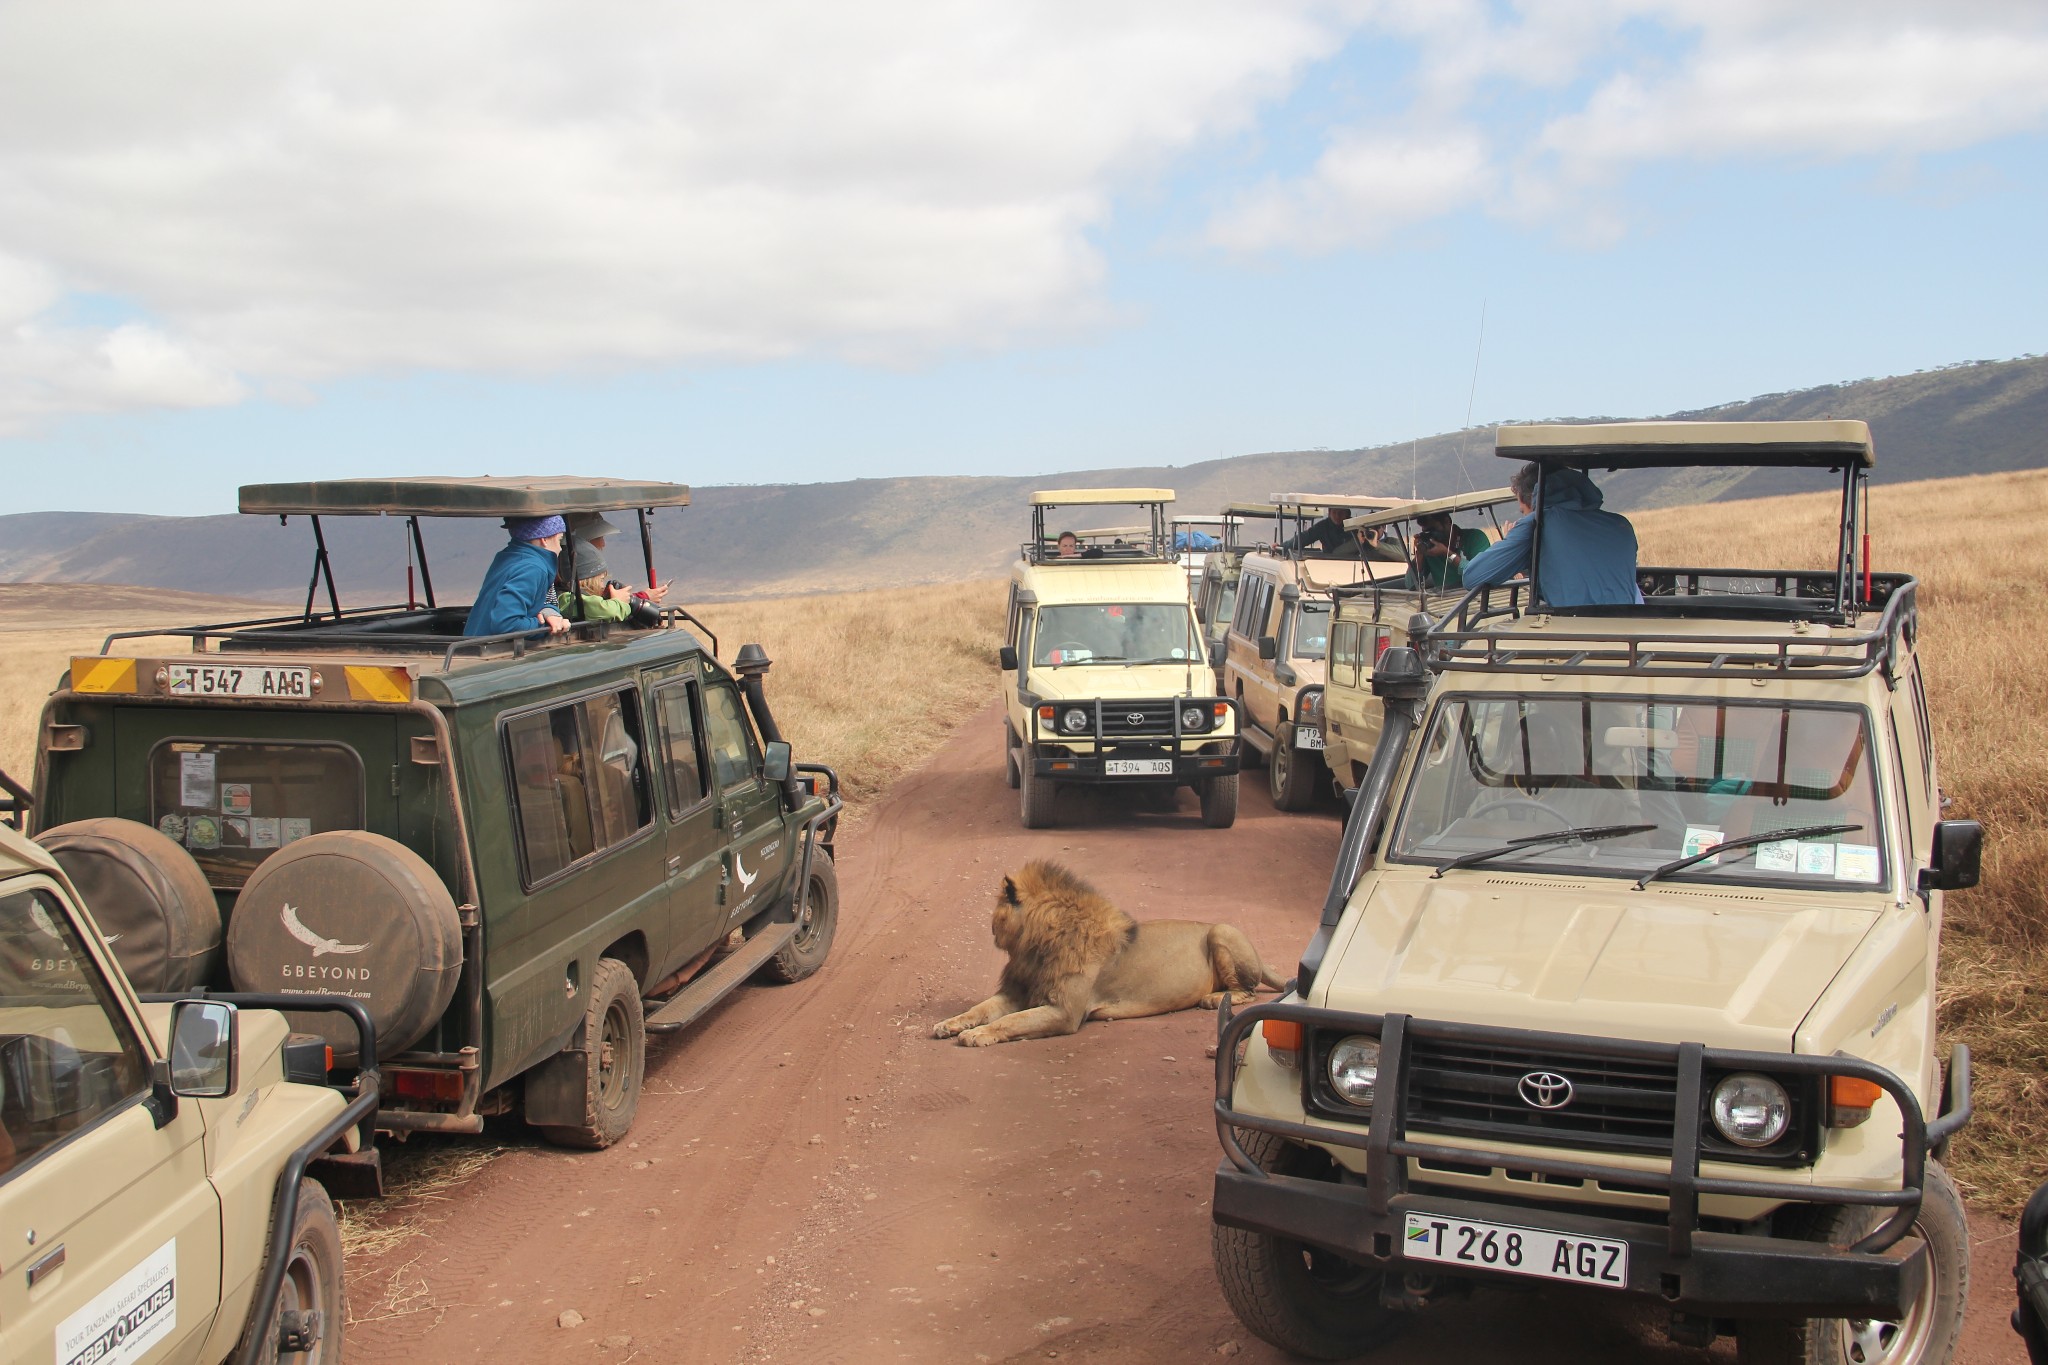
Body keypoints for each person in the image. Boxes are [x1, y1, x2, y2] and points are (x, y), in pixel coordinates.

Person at [1462, 463, 1640, 607]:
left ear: (1534, 500)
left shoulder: (1538, 522)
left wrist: (1512, 541)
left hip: (1575, 632)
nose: (1524, 516)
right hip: (1627, 629)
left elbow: (1473, 577)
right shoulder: (1620, 523)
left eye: (1523, 511)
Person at [467, 516, 572, 637]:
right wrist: (548, 628)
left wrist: (548, 612)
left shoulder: (508, 557)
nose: (560, 549)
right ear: (544, 539)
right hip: (496, 650)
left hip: (474, 646)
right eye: (559, 540)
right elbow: (506, 623)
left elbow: (527, 604)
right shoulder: (532, 568)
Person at [560, 512, 667, 626]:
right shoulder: (566, 599)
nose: (603, 544)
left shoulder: (567, 589)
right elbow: (602, 609)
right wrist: (628, 601)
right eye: (598, 537)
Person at [1402, 511, 1492, 589]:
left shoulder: (1475, 538)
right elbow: (1410, 585)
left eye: (1433, 530)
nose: (1431, 535)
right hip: (1446, 601)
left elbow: (1481, 573)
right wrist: (1420, 554)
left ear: (1447, 522)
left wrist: (1448, 554)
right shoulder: (1430, 547)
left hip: (1478, 595)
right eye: (1426, 532)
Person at [1281, 506, 1351, 556]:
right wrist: (1282, 548)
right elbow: (1305, 537)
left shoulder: (1354, 526)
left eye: (1341, 513)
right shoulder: (1323, 526)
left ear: (1347, 514)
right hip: (1328, 561)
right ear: (1329, 512)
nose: (1337, 516)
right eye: (1334, 512)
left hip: (1352, 562)